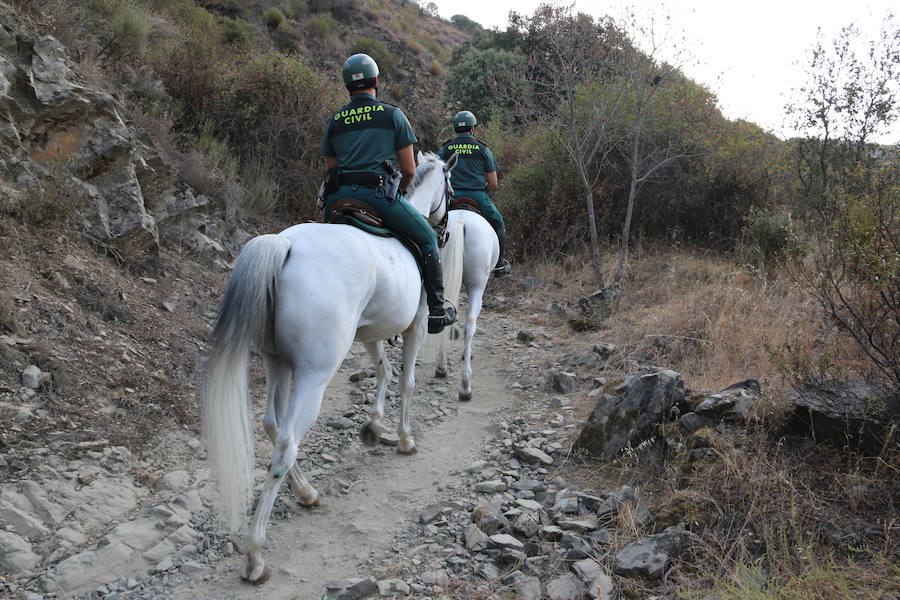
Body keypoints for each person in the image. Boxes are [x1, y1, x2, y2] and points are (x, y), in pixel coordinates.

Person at [321, 53, 456, 334]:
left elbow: (330, 169)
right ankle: (436, 311)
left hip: (336, 200)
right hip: (376, 197)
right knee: (428, 238)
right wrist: (401, 194)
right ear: (376, 81)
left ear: (348, 85)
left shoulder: (335, 121)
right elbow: (409, 170)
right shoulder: (392, 115)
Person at [438, 110, 511, 277]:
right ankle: (499, 265)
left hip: (452, 196)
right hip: (477, 196)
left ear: (456, 129)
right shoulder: (482, 149)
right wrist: (485, 192)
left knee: (432, 224)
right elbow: (493, 182)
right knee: (498, 223)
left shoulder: (446, 148)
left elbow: (437, 173)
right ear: (473, 128)